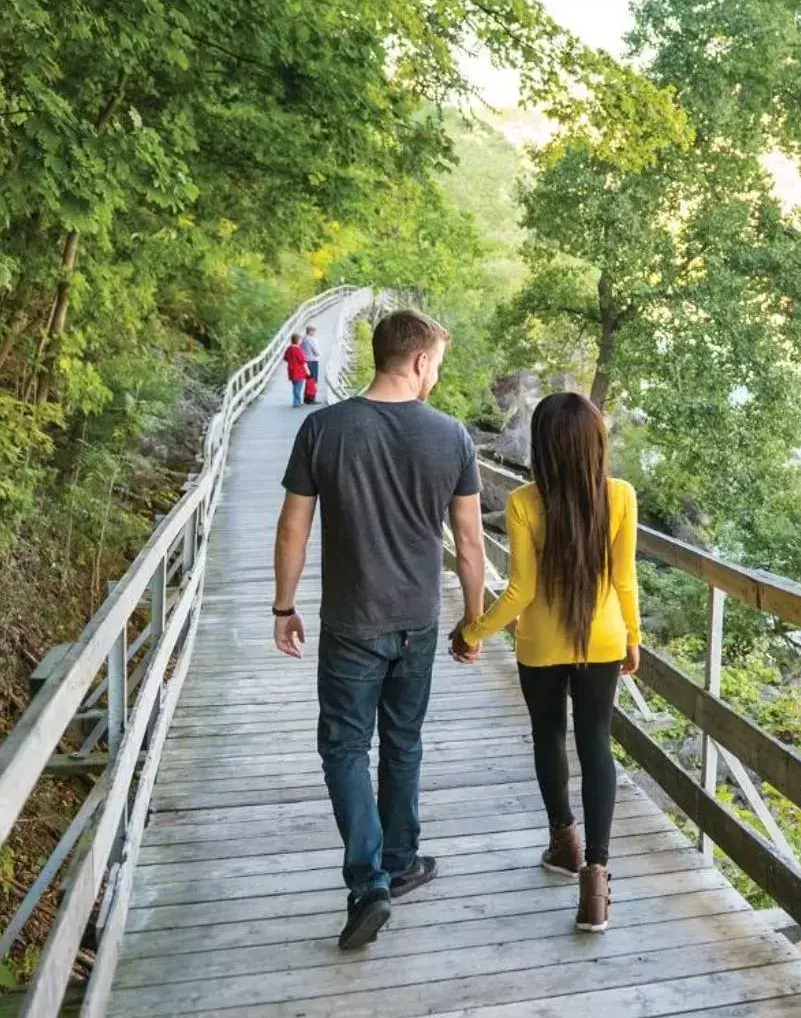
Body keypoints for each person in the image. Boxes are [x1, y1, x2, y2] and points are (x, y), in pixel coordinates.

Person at [273, 309, 487, 950]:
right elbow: (471, 546)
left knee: (343, 748)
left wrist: (284, 608)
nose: (437, 376)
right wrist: (473, 623)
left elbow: (292, 527)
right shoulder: (452, 437)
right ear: (420, 361)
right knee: (403, 742)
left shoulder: (324, 429)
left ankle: (369, 882)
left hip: (350, 622)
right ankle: (400, 860)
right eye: (438, 365)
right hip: (418, 621)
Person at [451, 392, 638, 933]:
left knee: (549, 737)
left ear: (544, 447)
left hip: (539, 647)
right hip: (603, 640)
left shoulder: (524, 503)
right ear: (595, 444)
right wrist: (633, 636)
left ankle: (564, 844)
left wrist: (472, 630)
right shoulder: (621, 496)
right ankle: (596, 885)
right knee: (596, 744)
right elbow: (625, 579)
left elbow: (520, 591)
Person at [282, 332, 309, 406]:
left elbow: (285, 358)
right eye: (300, 340)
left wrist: (291, 362)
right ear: (297, 340)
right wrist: (308, 371)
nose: (301, 341)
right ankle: (296, 402)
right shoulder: (298, 349)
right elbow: (303, 361)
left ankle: (297, 401)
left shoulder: (289, 348)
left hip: (291, 370)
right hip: (299, 371)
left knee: (295, 386)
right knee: (298, 387)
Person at [301, 323, 323, 404]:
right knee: (313, 380)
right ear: (310, 331)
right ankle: (311, 398)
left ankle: (306, 397)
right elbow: (316, 351)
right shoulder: (311, 340)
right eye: (314, 331)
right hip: (312, 361)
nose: (314, 333)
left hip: (306, 361)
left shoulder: (303, 339)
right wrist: (320, 354)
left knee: (308, 380)